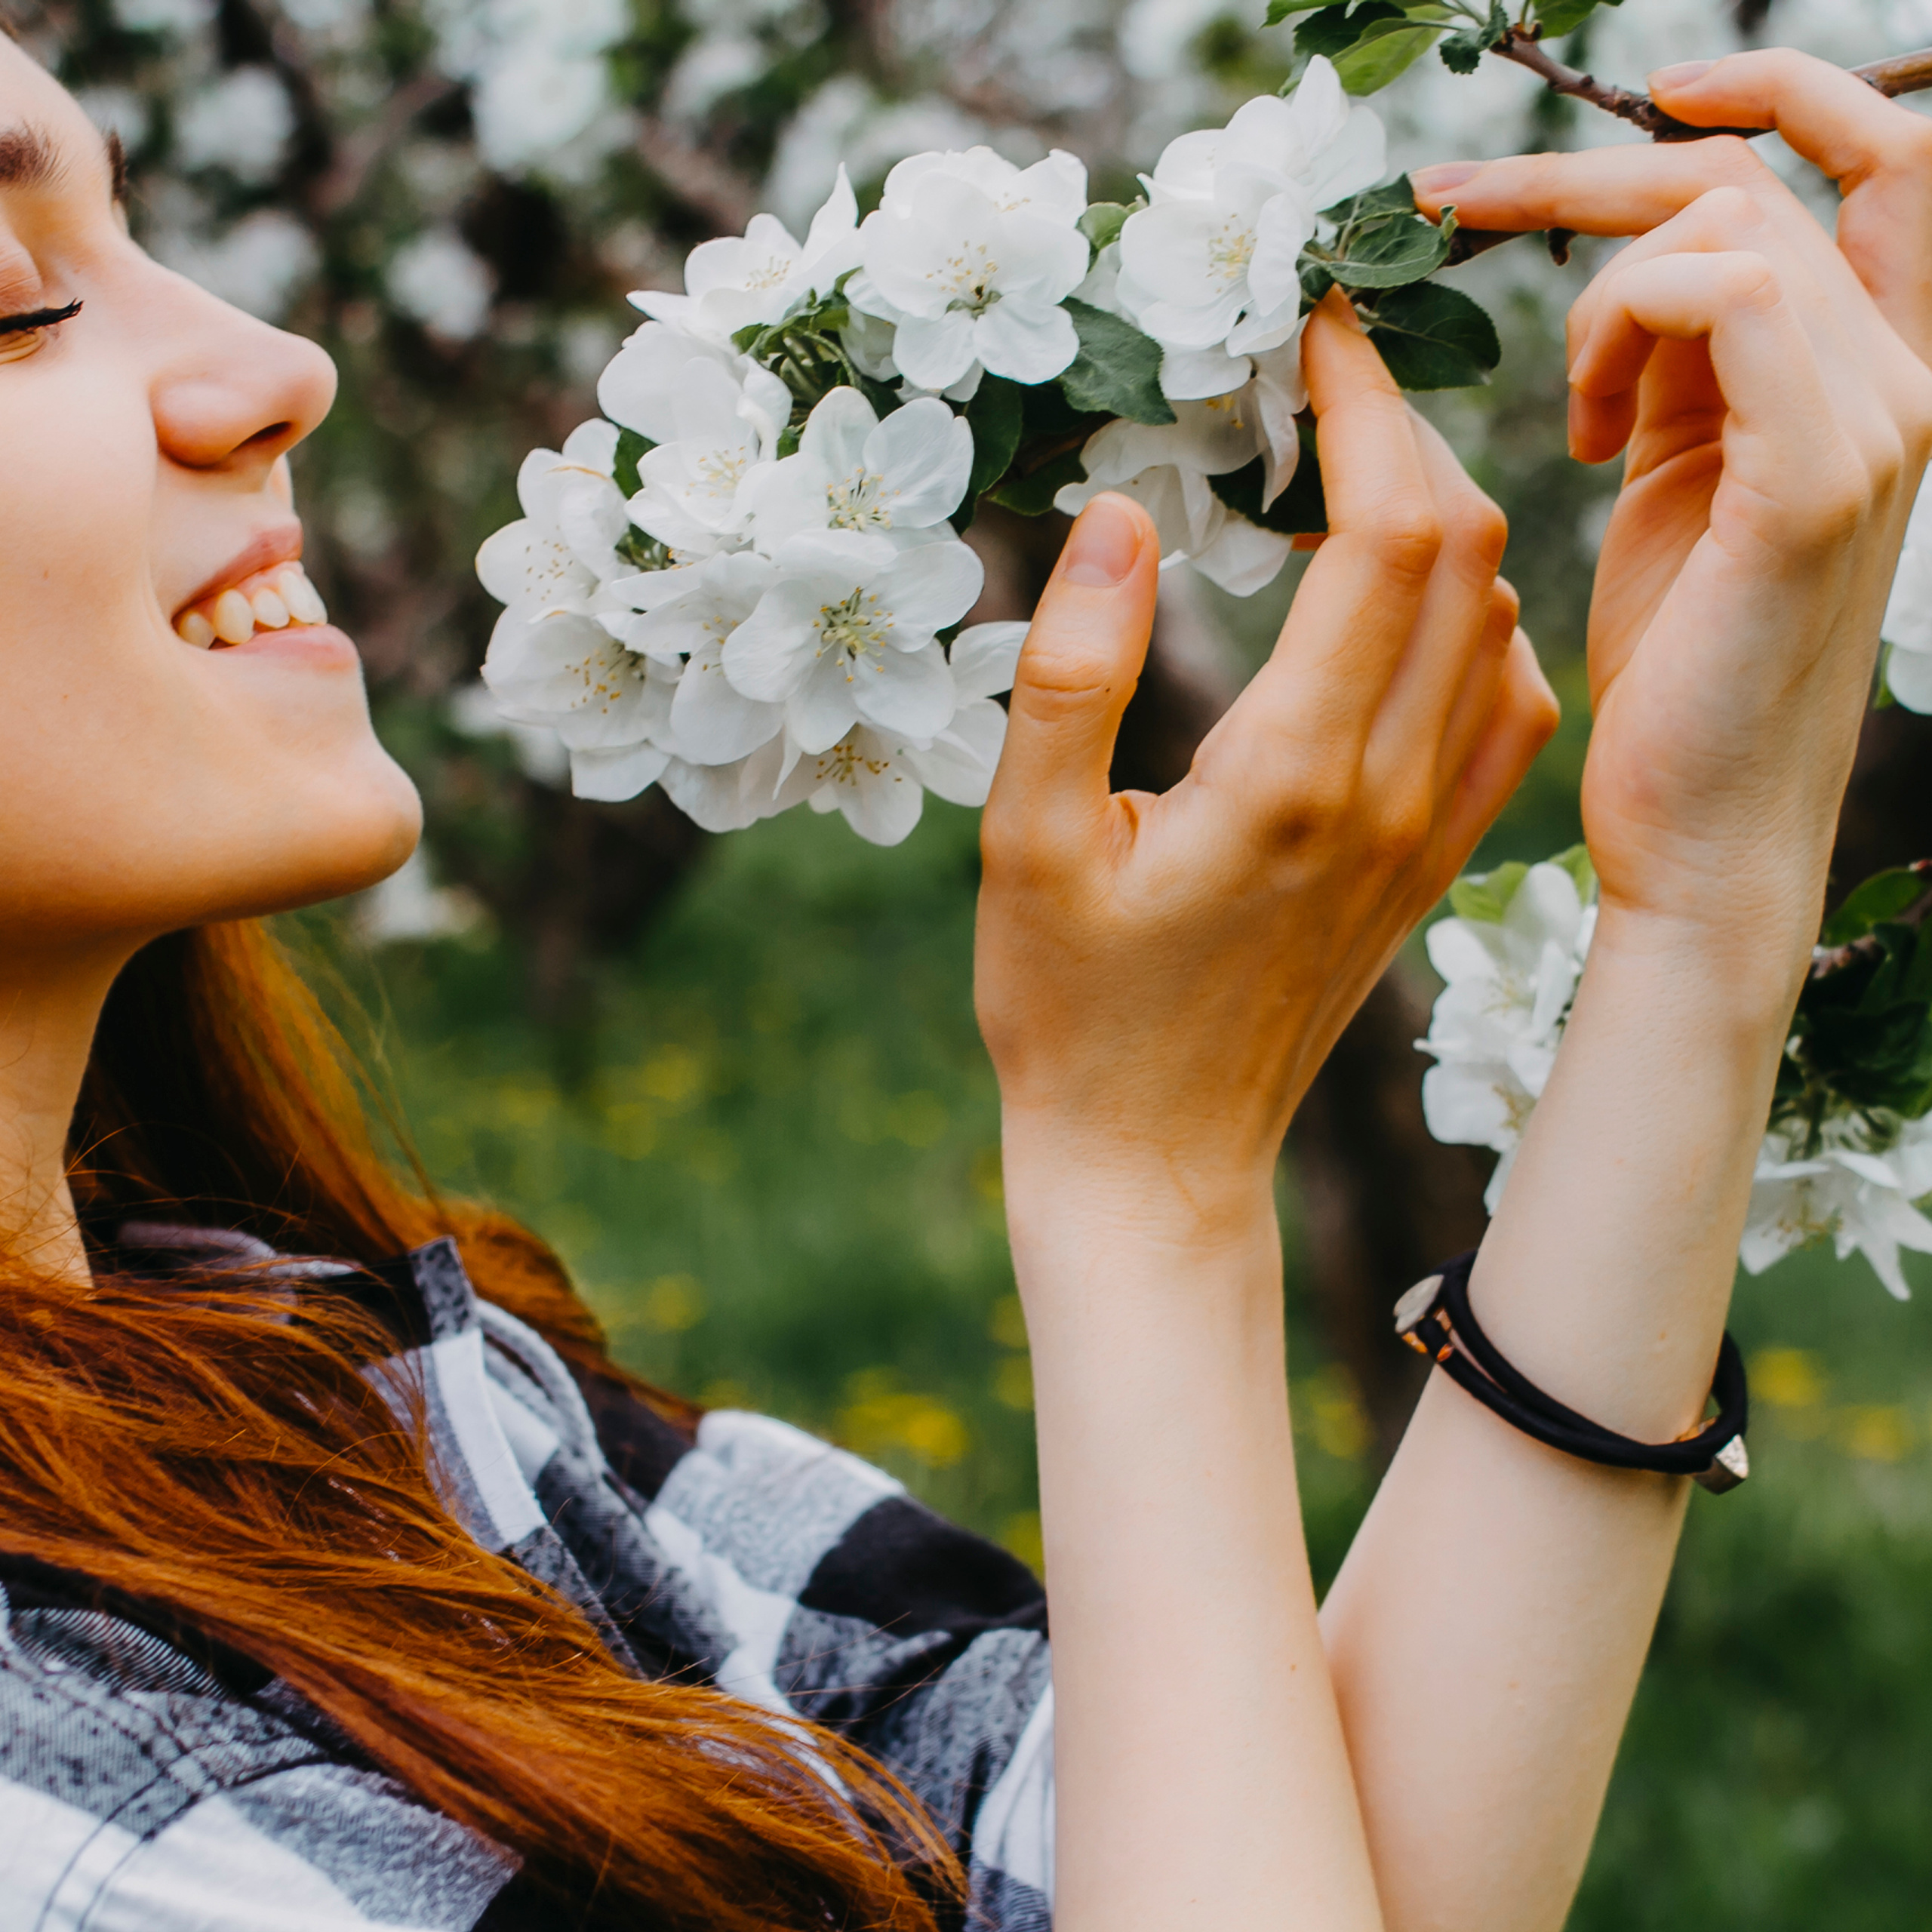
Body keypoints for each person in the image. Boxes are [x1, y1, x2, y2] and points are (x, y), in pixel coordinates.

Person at [0, 17, 1924, 1927]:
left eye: (141, 228)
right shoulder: (71, 1824)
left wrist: (1711, 891)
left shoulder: (346, 1388)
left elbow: (1251, 1862)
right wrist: (1139, 1186)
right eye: (17, 302)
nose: (282, 363)